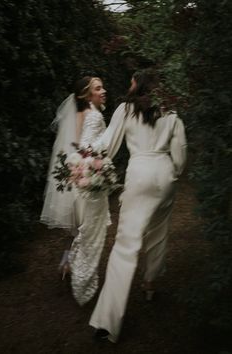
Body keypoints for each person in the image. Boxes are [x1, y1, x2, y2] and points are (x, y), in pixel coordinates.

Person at [89, 69, 187, 342]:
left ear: (139, 85)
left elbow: (107, 146)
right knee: (158, 234)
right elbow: (180, 154)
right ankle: (150, 285)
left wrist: (83, 156)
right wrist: (174, 173)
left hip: (140, 173)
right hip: (165, 175)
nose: (128, 85)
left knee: (125, 246)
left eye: (131, 81)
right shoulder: (172, 112)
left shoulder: (125, 109)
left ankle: (108, 323)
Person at [40, 76, 110, 306]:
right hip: (87, 170)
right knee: (86, 226)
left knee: (79, 225)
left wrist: (78, 165)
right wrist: (90, 166)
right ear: (86, 94)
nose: (103, 90)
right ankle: (79, 272)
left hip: (82, 168)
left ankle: (66, 261)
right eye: (97, 88)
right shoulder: (93, 114)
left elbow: (76, 144)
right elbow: (90, 144)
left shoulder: (81, 113)